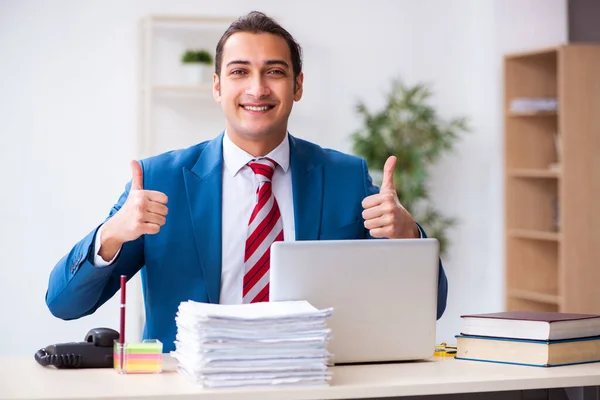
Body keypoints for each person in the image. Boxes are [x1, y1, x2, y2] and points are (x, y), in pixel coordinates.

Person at [45, 11, 448, 352]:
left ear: (298, 86)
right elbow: (64, 303)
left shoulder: (345, 177)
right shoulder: (159, 180)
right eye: (240, 72)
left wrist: (409, 236)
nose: (258, 88)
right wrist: (112, 234)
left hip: (309, 381)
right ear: (218, 87)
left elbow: (430, 306)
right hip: (191, 387)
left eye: (275, 71)